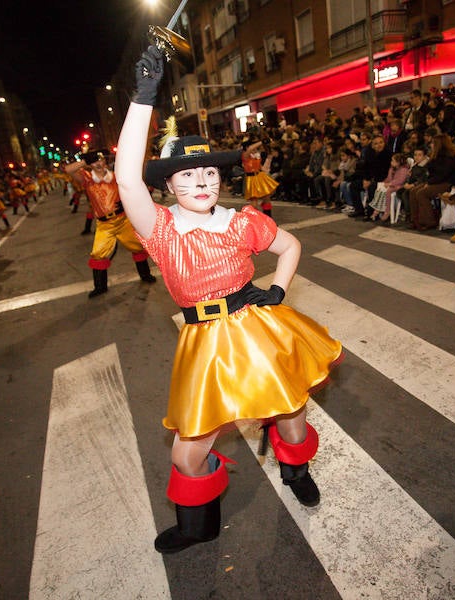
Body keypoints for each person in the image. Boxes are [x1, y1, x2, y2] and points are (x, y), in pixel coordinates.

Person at [115, 45, 342, 554]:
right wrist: (144, 97)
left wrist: (278, 289)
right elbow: (127, 178)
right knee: (189, 450)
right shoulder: (160, 228)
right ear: (169, 185)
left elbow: (290, 245)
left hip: (254, 325)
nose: (201, 182)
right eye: (188, 176)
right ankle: (198, 527)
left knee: (291, 413)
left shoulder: (243, 221)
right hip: (203, 343)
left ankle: (296, 468)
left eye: (210, 174)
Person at [65, 150, 157, 297]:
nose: (99, 164)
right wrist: (84, 162)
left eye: (100, 160)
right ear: (90, 165)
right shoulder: (87, 178)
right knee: (98, 253)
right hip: (104, 225)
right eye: (95, 162)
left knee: (137, 247)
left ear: (105, 162)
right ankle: (100, 287)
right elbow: (68, 170)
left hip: (122, 220)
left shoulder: (115, 176)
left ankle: (146, 275)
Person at [242, 139, 278, 216]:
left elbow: (262, 168)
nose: (255, 148)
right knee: (254, 202)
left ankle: (268, 218)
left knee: (266, 199)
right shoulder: (245, 155)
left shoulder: (256, 156)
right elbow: (250, 149)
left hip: (260, 177)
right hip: (251, 179)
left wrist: (269, 158)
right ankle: (255, 219)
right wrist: (262, 141)